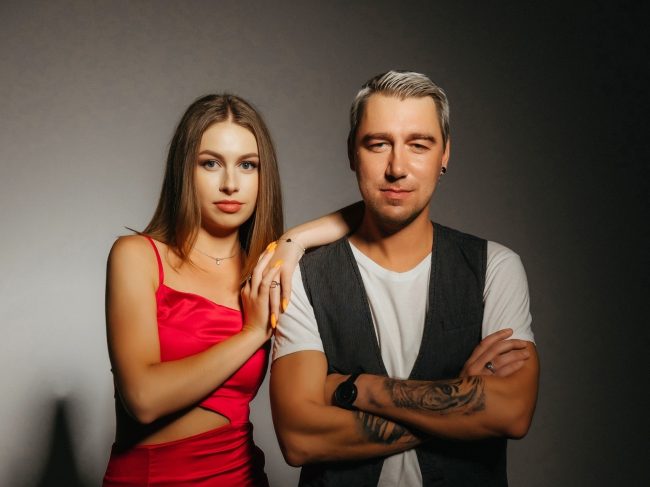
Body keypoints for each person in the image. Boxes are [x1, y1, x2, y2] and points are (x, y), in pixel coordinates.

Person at [270, 71, 540, 486]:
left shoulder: (495, 268)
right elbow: (299, 438)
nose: (397, 168)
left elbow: (511, 412)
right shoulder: (302, 276)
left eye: (419, 145)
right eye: (378, 144)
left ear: (445, 154)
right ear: (352, 153)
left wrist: (354, 388)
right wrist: (458, 400)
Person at [102, 94, 355, 486]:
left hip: (241, 476)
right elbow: (143, 399)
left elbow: (371, 212)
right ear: (184, 170)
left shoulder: (266, 269)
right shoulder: (137, 256)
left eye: (247, 165)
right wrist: (252, 333)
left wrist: (294, 241)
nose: (231, 184)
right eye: (211, 163)